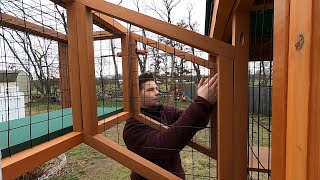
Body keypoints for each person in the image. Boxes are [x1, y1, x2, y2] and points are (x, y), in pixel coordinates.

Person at [123, 72, 218, 179]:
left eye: (156, 88)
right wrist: (202, 101)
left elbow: (198, 122)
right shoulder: (132, 129)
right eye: (150, 90)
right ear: (136, 97)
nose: (157, 92)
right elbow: (166, 145)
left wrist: (205, 102)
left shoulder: (165, 110)